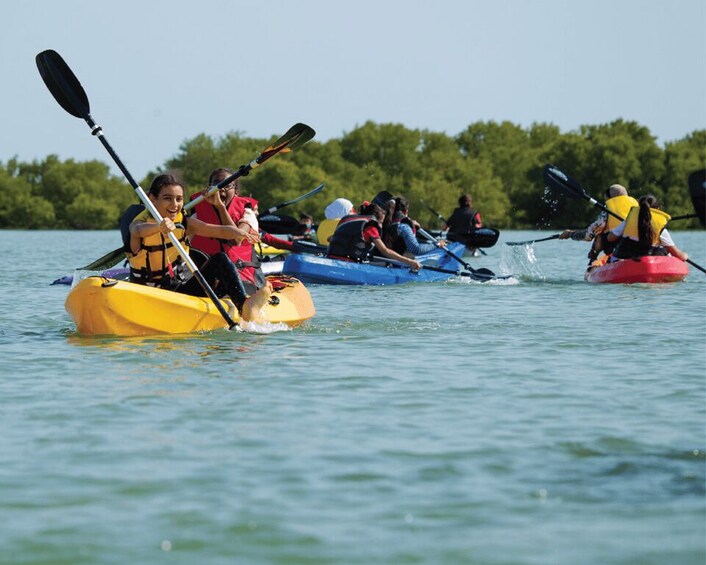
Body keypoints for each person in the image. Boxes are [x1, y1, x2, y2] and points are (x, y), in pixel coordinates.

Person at [127, 173, 265, 320]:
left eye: (179, 199)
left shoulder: (186, 223)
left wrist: (239, 233)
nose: (175, 205)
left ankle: (244, 305)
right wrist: (160, 227)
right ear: (152, 199)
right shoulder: (138, 224)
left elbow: (217, 230)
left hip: (179, 291)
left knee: (220, 259)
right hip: (146, 292)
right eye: (167, 198)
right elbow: (137, 231)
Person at [327, 202, 422, 270]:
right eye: (380, 222)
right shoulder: (371, 227)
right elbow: (385, 251)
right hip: (348, 264)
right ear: (375, 218)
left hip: (331, 259)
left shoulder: (348, 219)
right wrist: (410, 262)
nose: (380, 226)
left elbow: (330, 239)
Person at [559, 184, 638, 264]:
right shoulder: (638, 206)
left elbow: (589, 235)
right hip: (640, 246)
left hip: (619, 248)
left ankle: (592, 261)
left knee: (599, 233)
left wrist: (570, 234)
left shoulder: (608, 209)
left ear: (608, 197)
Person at [606, 194, 688, 262]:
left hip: (625, 258)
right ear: (658, 209)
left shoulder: (629, 220)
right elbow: (679, 256)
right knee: (666, 251)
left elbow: (610, 238)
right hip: (651, 261)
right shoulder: (660, 226)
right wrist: (685, 255)